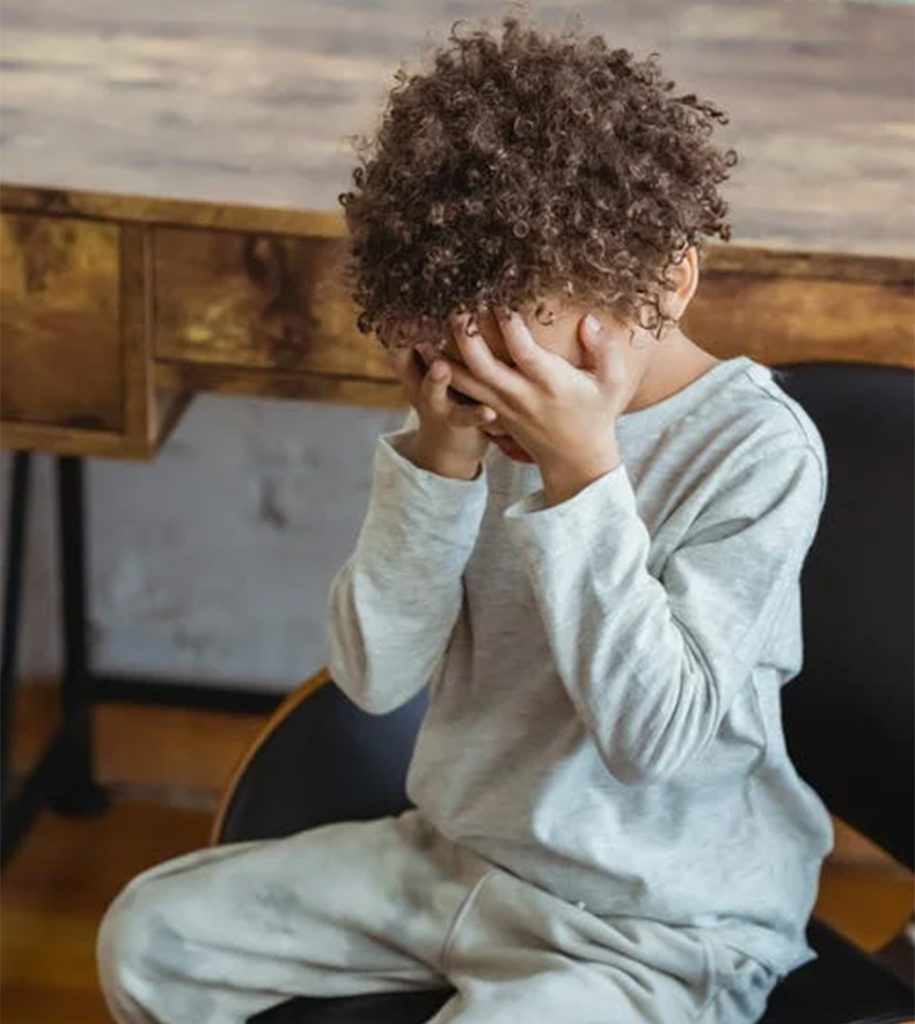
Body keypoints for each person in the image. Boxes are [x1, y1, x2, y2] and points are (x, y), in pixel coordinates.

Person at [96, 12, 833, 1023]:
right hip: (456, 858)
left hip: (661, 926)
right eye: (473, 370)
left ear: (667, 281)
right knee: (150, 936)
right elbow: (375, 674)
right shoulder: (470, 422)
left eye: (531, 375)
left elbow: (651, 737)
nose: (502, 414)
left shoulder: (757, 453)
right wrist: (438, 457)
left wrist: (584, 473)